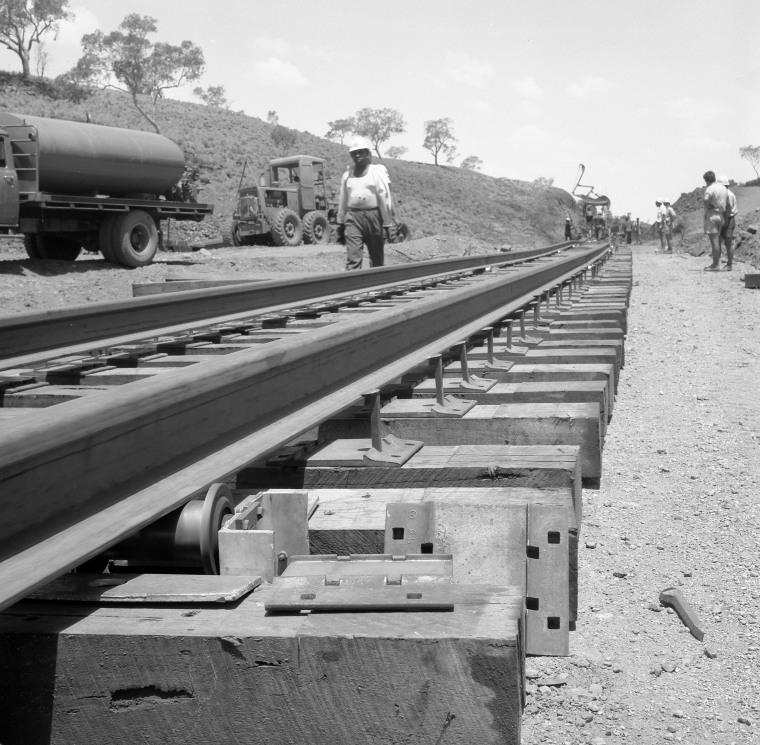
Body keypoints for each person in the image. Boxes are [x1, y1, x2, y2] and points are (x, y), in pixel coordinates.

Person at [337, 136, 392, 270]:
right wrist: (341, 222)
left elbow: (383, 197)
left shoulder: (376, 173)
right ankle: (354, 288)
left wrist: (387, 223)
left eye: (361, 152)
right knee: (353, 257)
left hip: (373, 215)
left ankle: (377, 288)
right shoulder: (347, 176)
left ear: (368, 154)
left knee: (376, 256)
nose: (358, 155)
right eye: (354, 153)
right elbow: (343, 200)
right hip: (353, 218)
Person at [702, 170, 728, 271]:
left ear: (706, 180)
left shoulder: (711, 188)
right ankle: (716, 263)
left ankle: (715, 264)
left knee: (714, 241)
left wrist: (708, 205)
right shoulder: (723, 187)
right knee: (717, 241)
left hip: (712, 215)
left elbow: (705, 199)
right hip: (721, 215)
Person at [718, 175, 737, 271]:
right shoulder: (730, 194)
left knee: (727, 243)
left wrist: (724, 221)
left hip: (727, 219)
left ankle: (729, 264)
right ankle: (719, 262)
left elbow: (728, 209)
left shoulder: (727, 195)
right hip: (729, 219)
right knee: (719, 241)